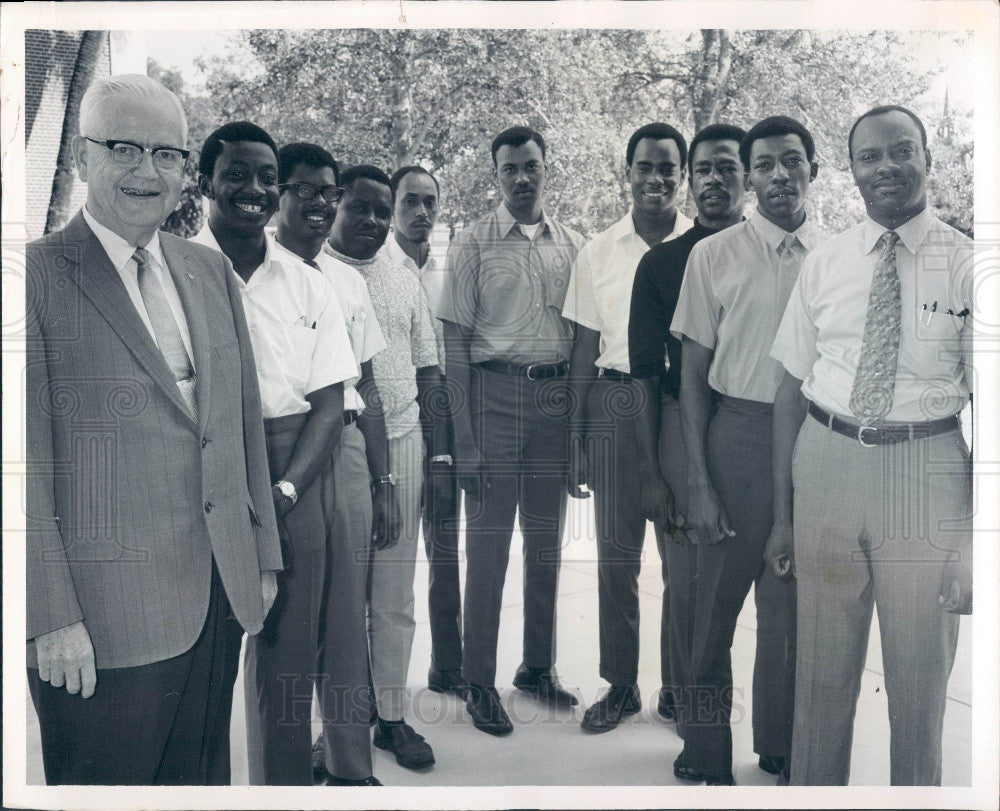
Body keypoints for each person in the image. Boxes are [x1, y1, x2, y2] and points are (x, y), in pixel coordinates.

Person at [25, 74, 281, 785]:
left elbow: (240, 426)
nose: (148, 171)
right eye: (124, 148)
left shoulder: (208, 270)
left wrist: (261, 554)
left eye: (167, 154)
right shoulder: (33, 279)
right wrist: (48, 616)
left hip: (217, 602)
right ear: (83, 158)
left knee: (200, 787)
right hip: (99, 628)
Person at [767, 105, 973, 786]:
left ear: (927, 158)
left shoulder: (971, 264)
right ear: (851, 170)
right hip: (825, 461)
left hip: (925, 471)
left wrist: (976, 542)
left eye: (901, 151)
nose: (885, 167)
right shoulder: (826, 260)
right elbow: (790, 387)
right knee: (820, 678)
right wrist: (782, 516)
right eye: (869, 156)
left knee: (918, 679)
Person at [191, 123, 359, 786]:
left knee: (287, 673)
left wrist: (286, 491)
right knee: (201, 666)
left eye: (266, 176)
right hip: (204, 474)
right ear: (204, 182)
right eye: (236, 173)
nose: (254, 189)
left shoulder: (307, 283)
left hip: (297, 473)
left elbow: (329, 401)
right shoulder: (175, 272)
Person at [670, 116, 827, 784]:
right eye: (764, 165)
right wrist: (698, 483)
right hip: (736, 434)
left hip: (815, 438)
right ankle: (706, 751)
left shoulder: (837, 253)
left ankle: (781, 740)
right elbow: (690, 379)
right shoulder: (713, 255)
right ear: (749, 176)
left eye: (793, 161)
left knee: (792, 607)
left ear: (814, 168)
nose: (780, 175)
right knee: (714, 607)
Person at [438, 126, 585, 736]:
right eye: (509, 170)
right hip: (493, 396)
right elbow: (453, 343)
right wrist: (465, 441)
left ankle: (537, 668)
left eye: (531, 166)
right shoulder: (471, 244)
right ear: (495, 176)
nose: (521, 178)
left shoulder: (574, 245)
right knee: (490, 547)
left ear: (547, 168)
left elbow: (583, 343)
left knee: (546, 545)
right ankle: (478, 680)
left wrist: (576, 438)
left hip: (553, 400)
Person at [561, 123, 693, 733]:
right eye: (644, 167)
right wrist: (578, 440)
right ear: (628, 172)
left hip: (675, 409)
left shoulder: (705, 245)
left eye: (668, 167)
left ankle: (679, 685)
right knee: (617, 560)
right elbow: (585, 348)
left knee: (680, 558)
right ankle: (621, 685)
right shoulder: (598, 250)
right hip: (613, 409)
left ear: (683, 174)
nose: (656, 179)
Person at [273, 142, 395, 787]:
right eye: (303, 190)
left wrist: (383, 479)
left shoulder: (347, 279)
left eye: (327, 192)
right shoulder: (238, 268)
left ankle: (351, 768)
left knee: (348, 615)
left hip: (344, 445)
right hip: (281, 444)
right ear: (279, 196)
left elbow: (368, 386)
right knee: (283, 619)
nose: (317, 204)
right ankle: (285, 775)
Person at [627, 123, 749, 741]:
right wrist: (652, 472)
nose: (714, 181)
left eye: (727, 168)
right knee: (689, 578)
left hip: (756, 423)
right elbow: (645, 375)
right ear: (689, 180)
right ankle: (692, 715)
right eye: (702, 169)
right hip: (681, 423)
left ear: (747, 175)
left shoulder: (780, 257)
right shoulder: (662, 264)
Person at [323, 164, 446, 770]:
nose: (371, 222)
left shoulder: (404, 278)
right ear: (335, 206)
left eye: (380, 212)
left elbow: (429, 370)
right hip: (335, 446)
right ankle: (337, 725)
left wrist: (441, 454)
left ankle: (391, 717)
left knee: (393, 593)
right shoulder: (310, 270)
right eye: (360, 209)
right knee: (341, 596)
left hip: (403, 440)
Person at [381, 166, 468, 698]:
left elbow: (450, 362)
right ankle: (374, 680)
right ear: (394, 206)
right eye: (410, 201)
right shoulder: (377, 267)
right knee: (387, 559)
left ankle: (448, 666)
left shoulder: (445, 275)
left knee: (445, 548)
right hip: (393, 431)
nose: (421, 212)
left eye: (430, 202)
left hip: (445, 430)